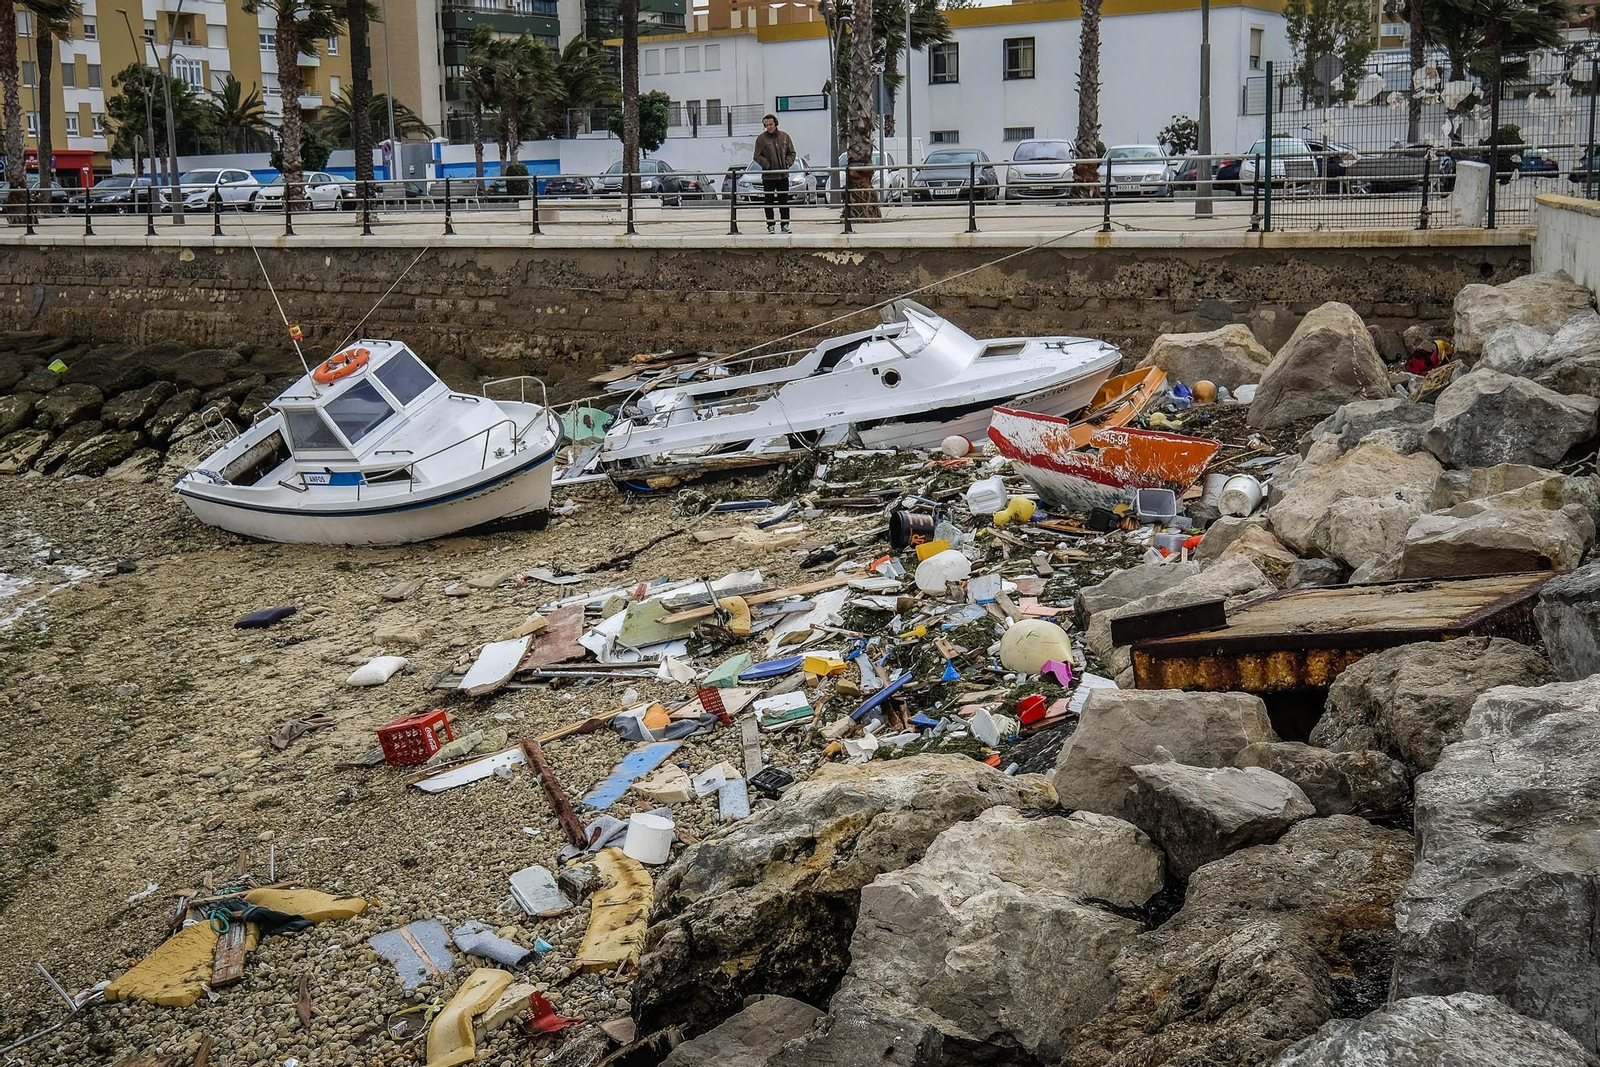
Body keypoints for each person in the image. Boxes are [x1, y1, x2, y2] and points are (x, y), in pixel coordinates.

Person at [753, 113, 796, 234]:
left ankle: (785, 225)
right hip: (768, 176)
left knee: (784, 201)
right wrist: (767, 165)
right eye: (766, 125)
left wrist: (787, 163)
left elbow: (792, 152)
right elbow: (757, 156)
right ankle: (770, 225)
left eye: (771, 124)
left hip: (783, 175)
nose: (769, 127)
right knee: (769, 201)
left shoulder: (785, 137)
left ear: (775, 123)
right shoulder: (761, 139)